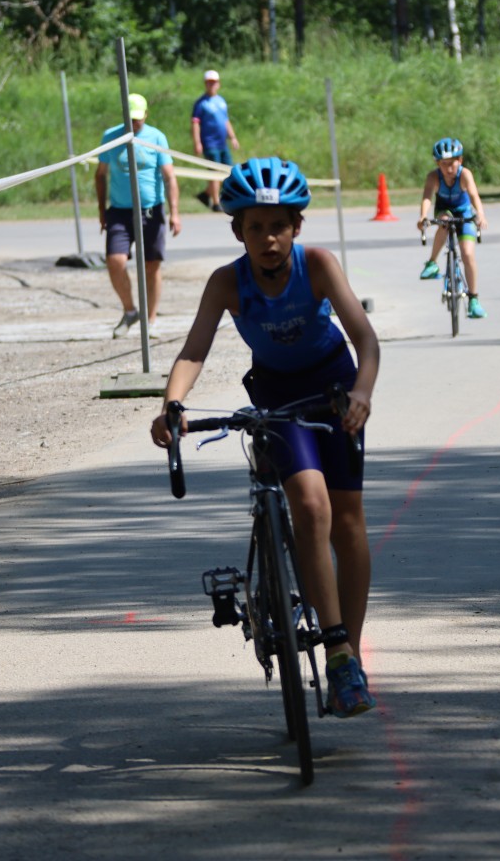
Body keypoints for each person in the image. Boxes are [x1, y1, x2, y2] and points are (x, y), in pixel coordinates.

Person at [150, 157, 381, 718]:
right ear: (238, 231)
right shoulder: (227, 282)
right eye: (256, 227)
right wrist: (172, 404)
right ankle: (336, 645)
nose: (269, 238)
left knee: (348, 520)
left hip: (334, 389)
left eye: (279, 226)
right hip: (277, 396)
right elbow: (194, 350)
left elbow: (366, 340)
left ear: (297, 226)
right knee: (310, 503)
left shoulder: (318, 265)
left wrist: (362, 393)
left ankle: (346, 660)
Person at [96, 93, 180, 338]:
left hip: (151, 210)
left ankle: (151, 320)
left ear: (146, 115)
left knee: (151, 266)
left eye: (138, 119)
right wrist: (101, 210)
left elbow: (169, 177)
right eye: (130, 119)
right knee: (115, 261)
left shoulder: (156, 137)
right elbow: (100, 175)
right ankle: (130, 311)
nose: (134, 123)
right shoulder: (110, 136)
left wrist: (175, 212)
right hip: (119, 212)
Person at [417, 136, 489, 319]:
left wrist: (480, 214)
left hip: (464, 212)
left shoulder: (465, 175)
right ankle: (432, 263)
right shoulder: (434, 177)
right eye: (444, 164)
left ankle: (473, 299)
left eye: (452, 164)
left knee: (468, 254)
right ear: (437, 164)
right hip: (445, 211)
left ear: (460, 160)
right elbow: (427, 197)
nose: (449, 169)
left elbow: (474, 195)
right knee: (444, 222)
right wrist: (423, 216)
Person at [191, 70, 239, 211]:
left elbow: (225, 121)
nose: (212, 85)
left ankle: (206, 194)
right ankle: (216, 202)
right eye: (209, 82)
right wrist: (197, 142)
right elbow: (195, 123)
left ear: (218, 84)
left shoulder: (221, 101)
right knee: (215, 172)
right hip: (210, 143)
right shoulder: (201, 103)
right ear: (205, 84)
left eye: (214, 82)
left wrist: (233, 137)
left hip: (222, 143)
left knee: (228, 171)